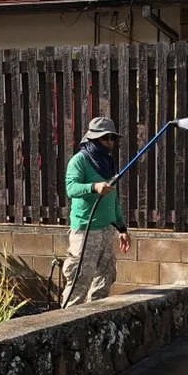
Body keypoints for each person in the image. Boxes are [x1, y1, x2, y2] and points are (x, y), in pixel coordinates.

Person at [61, 117, 130, 308]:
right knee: (80, 279)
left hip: (107, 229)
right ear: (93, 139)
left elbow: (112, 199)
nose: (110, 142)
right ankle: (66, 320)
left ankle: (95, 317)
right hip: (85, 230)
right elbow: (71, 188)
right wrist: (94, 187)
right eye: (105, 138)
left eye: (112, 138)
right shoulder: (79, 161)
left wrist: (122, 228)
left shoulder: (108, 162)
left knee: (105, 277)